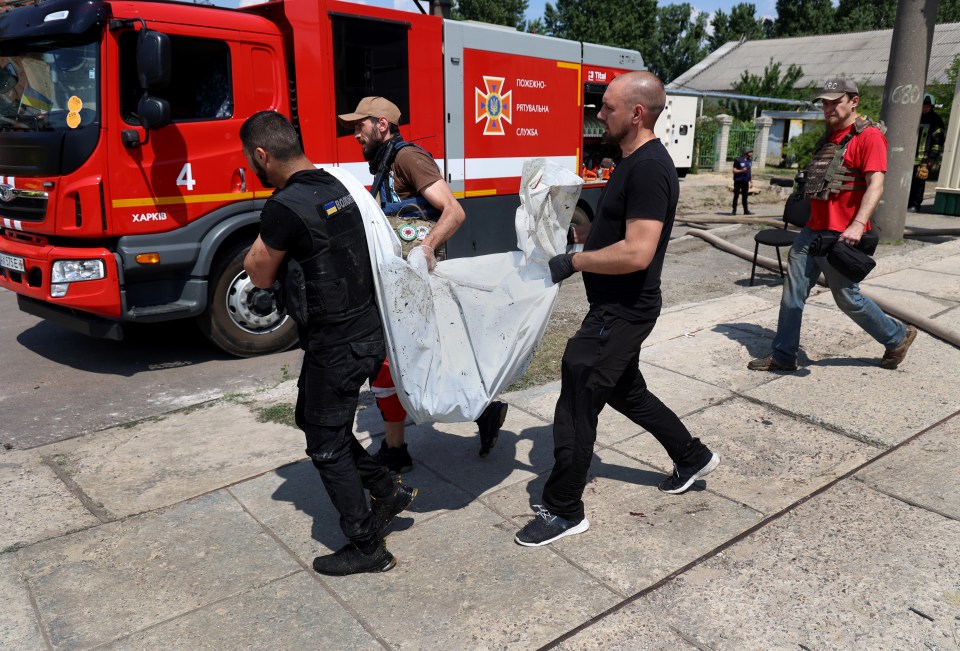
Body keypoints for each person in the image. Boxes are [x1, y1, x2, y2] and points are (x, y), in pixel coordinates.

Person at [514, 71, 720, 547]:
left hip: (622, 312)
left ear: (636, 113)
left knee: (578, 388)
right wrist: (582, 237)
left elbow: (638, 252)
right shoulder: (629, 161)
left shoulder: (648, 167)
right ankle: (691, 456)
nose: (598, 114)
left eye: (606, 107)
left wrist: (574, 261)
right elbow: (622, 232)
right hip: (619, 306)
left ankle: (565, 509)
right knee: (628, 392)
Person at [240, 111, 417, 576]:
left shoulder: (283, 206)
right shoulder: (336, 184)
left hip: (336, 341)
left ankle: (366, 546)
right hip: (364, 329)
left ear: (262, 155)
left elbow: (258, 272)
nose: (253, 169)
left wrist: (253, 248)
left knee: (324, 442)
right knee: (311, 417)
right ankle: (387, 488)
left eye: (251, 161)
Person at [337, 96, 509, 474]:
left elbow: (454, 211)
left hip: (414, 284)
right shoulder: (385, 164)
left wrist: (427, 247)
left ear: (381, 124)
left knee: (400, 359)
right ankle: (411, 442)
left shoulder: (407, 158)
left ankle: (416, 440)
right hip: (397, 284)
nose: (354, 134)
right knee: (401, 360)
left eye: (359, 125)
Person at [748, 78, 916, 373]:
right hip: (813, 231)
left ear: (854, 102)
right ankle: (784, 355)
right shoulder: (829, 137)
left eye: (835, 101)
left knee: (847, 297)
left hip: (841, 235)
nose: (828, 108)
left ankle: (897, 336)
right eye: (825, 103)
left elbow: (876, 184)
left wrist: (858, 223)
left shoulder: (869, 137)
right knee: (793, 290)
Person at [908, 94, 945, 212]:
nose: (925, 108)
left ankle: (915, 205)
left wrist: (932, 158)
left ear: (931, 106)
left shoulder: (936, 120)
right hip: (909, 157)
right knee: (907, 182)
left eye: (927, 106)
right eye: (923, 106)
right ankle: (905, 203)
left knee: (919, 183)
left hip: (924, 158)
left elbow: (938, 141)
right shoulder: (915, 117)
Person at [731, 146, 753, 215]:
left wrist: (751, 181)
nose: (751, 153)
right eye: (750, 152)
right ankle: (734, 211)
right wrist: (741, 170)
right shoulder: (738, 160)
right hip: (738, 181)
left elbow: (750, 171)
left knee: (745, 196)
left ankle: (745, 211)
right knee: (736, 196)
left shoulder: (750, 160)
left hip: (745, 181)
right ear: (746, 152)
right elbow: (734, 170)